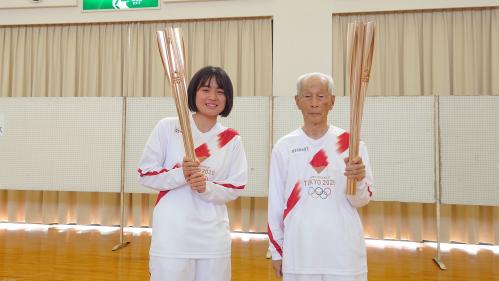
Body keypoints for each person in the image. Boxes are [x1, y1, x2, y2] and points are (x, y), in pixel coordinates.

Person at [138, 66, 248, 281]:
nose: (212, 97)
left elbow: (235, 187)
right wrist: (181, 173)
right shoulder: (168, 127)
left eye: (220, 91)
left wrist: (206, 187)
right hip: (172, 234)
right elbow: (145, 173)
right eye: (205, 89)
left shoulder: (231, 139)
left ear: (228, 98)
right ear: (193, 93)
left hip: (212, 237)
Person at [267, 72, 374, 281]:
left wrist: (358, 180)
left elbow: (361, 200)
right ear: (297, 102)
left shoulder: (351, 144)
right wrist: (277, 250)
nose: (314, 103)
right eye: (307, 96)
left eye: (321, 96)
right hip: (300, 253)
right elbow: (276, 204)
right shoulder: (285, 147)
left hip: (344, 255)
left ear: (332, 101)